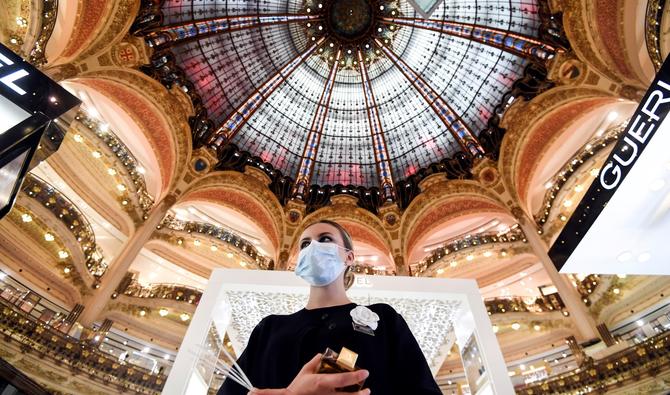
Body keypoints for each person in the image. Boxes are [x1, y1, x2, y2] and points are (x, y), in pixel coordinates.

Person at [218, 220, 441, 395]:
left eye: (325, 239)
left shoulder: (384, 318)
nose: (313, 246)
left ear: (349, 257)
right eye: (305, 244)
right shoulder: (270, 329)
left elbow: (421, 388)